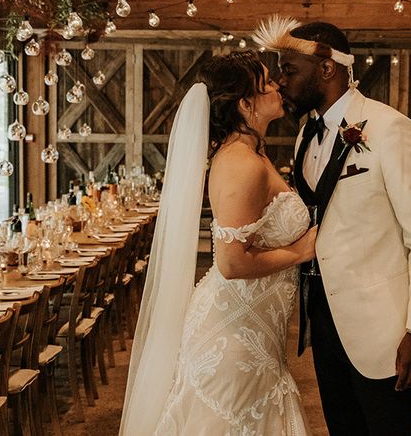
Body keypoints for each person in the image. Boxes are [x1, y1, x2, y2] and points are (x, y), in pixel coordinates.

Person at [254, 16, 411, 436]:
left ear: (327, 68)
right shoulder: (307, 132)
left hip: (381, 326)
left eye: (289, 70)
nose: (281, 82)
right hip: (323, 318)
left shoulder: (392, 130)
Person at [120, 51, 317, 436]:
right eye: (267, 82)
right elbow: (231, 263)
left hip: (255, 328)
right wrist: (302, 251)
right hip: (232, 333)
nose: (278, 84)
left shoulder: (254, 154)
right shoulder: (239, 163)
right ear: (246, 103)